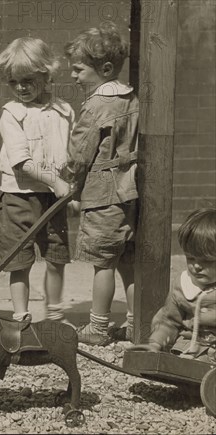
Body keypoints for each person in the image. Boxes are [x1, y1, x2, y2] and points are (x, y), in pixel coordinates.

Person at [61, 21, 139, 345]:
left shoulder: (95, 106)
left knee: (103, 263)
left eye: (78, 69)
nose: (73, 76)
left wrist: (69, 182)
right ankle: (137, 324)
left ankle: (97, 328)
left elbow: (80, 153)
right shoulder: (131, 99)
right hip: (130, 191)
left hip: (103, 194)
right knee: (128, 262)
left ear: (104, 68)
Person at [0, 37, 74, 324]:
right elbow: (21, 162)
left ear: (46, 75)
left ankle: (54, 316)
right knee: (18, 260)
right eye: (14, 82)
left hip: (54, 197)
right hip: (19, 196)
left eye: (28, 80)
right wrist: (56, 182)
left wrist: (71, 185)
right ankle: (21, 315)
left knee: (56, 257)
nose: (21, 87)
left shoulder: (64, 111)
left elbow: (72, 153)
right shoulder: (12, 114)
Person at [130, 209, 216, 362]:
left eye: (207, 261)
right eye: (190, 258)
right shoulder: (183, 286)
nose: (196, 266)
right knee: (182, 360)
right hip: (189, 349)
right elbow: (169, 320)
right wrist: (156, 342)